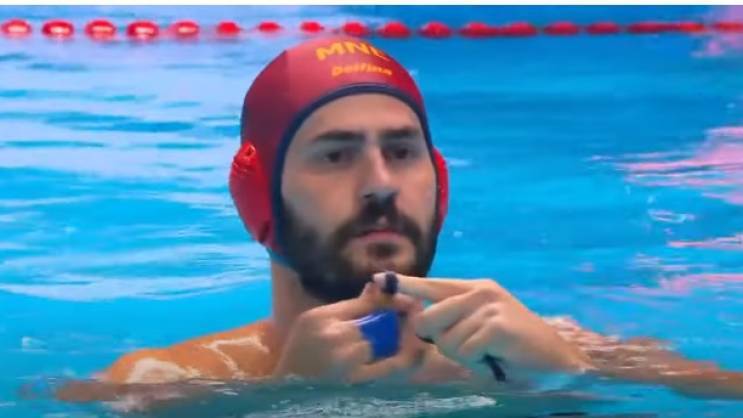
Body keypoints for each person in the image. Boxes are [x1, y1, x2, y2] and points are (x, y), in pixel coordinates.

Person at [63, 35, 743, 401]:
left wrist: (566, 383)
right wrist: (287, 399)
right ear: (258, 197)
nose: (381, 185)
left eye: (401, 151)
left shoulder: (557, 351)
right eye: (335, 156)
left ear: (438, 185)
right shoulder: (161, 387)